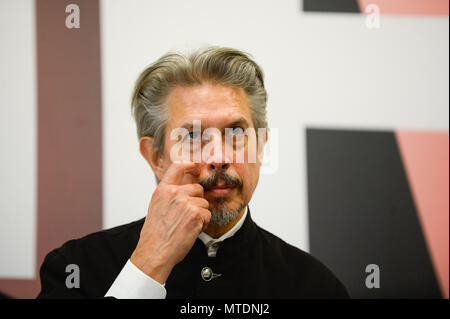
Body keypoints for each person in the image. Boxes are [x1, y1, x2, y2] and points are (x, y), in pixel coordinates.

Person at [37, 46, 349, 299]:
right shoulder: (77, 268)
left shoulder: (315, 286)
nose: (219, 156)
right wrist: (148, 264)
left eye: (236, 133)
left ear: (261, 145)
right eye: (192, 136)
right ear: (156, 156)